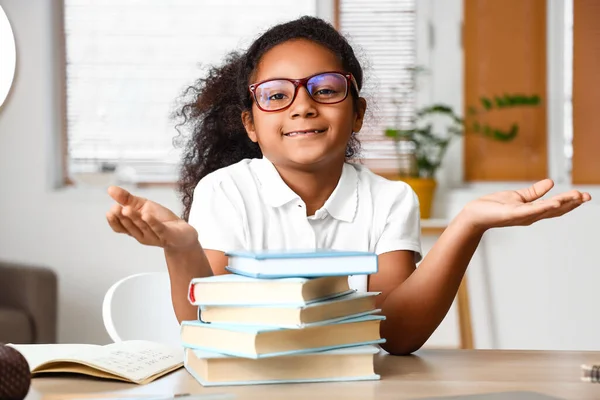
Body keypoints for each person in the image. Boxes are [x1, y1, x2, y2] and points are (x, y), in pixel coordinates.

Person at [105, 16, 591, 355]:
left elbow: (396, 335)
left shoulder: (390, 199)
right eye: (276, 95)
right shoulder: (224, 191)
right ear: (250, 124)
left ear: (357, 113)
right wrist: (181, 249)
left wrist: (467, 225)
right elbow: (205, 325)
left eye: (326, 89)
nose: (302, 106)